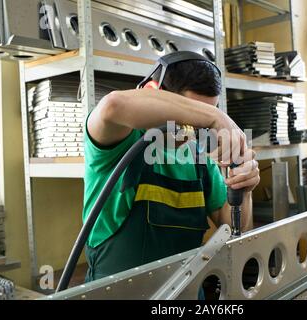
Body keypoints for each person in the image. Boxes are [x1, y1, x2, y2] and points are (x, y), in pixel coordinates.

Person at [83, 52, 260, 282]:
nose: (198, 128)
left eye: (205, 118)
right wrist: (215, 116)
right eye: (193, 115)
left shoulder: (199, 159)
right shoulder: (119, 143)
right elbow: (113, 105)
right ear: (151, 93)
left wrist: (243, 189)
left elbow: (235, 229)